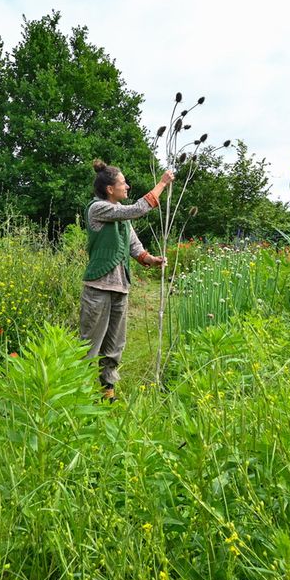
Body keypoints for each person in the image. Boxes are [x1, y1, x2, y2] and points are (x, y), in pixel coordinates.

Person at [80, 159, 174, 400]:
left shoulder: (121, 217)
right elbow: (136, 209)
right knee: (88, 345)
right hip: (98, 287)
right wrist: (161, 184)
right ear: (110, 189)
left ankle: (107, 391)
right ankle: (76, 392)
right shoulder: (98, 208)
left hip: (120, 287)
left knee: (114, 344)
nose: (128, 186)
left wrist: (148, 258)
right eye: (123, 183)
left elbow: (133, 244)